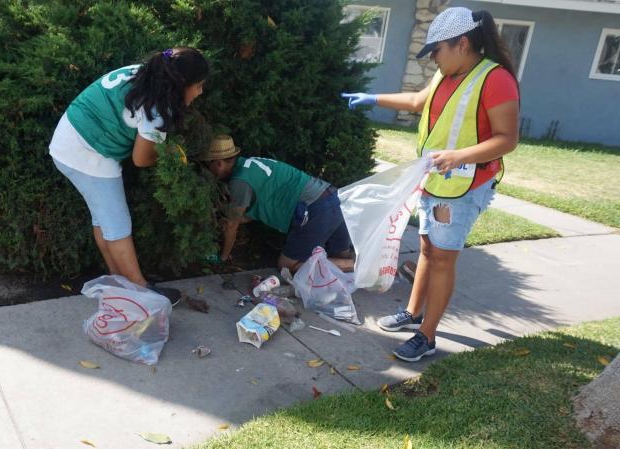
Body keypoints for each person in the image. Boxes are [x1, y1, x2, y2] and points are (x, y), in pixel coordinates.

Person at [343, 7, 520, 362]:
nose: (433, 59)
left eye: (437, 50)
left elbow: (508, 139)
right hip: (434, 179)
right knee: (427, 249)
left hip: (464, 186)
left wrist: (459, 156)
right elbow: (416, 101)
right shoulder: (446, 73)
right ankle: (412, 313)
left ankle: (427, 335)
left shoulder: (495, 79)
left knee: (442, 258)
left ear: (462, 44)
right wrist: (372, 98)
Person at [49, 47, 209, 304]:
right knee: (117, 226)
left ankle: (119, 281)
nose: (200, 92)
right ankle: (142, 292)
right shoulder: (159, 109)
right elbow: (141, 159)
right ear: (181, 84)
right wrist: (168, 153)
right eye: (198, 86)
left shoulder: (148, 73)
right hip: (86, 152)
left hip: (71, 137)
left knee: (104, 219)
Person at [200, 134, 354, 274]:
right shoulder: (251, 164)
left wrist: (223, 257)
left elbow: (232, 225)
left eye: (208, 164)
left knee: (287, 266)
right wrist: (229, 219)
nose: (208, 168)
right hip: (333, 197)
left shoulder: (239, 181)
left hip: (314, 209)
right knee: (340, 255)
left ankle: (356, 265)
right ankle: (356, 264)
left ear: (219, 163)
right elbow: (257, 207)